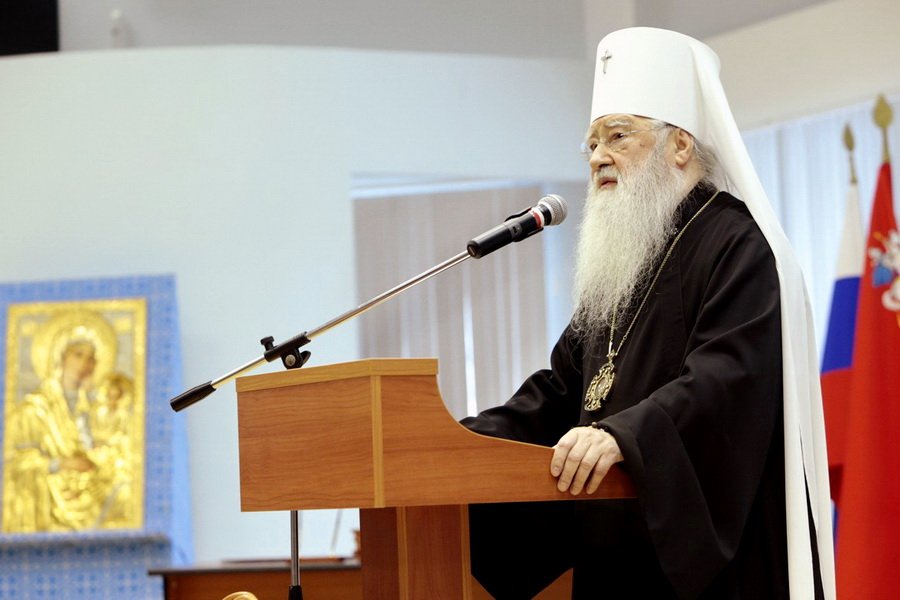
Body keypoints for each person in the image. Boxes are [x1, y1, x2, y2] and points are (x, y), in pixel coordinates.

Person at [462, 28, 834, 599]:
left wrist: (625, 436)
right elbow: (560, 392)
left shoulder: (738, 246)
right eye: (590, 144)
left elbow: (726, 382)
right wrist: (464, 443)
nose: (597, 157)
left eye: (617, 136)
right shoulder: (624, 261)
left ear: (680, 145)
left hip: (713, 577)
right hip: (617, 565)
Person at [3, 309, 132, 532]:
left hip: (89, 486)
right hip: (52, 494)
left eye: (91, 358)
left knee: (126, 487)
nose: (85, 363)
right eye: (78, 354)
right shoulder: (34, 409)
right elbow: (15, 462)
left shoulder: (91, 408)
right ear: (60, 357)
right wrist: (61, 464)